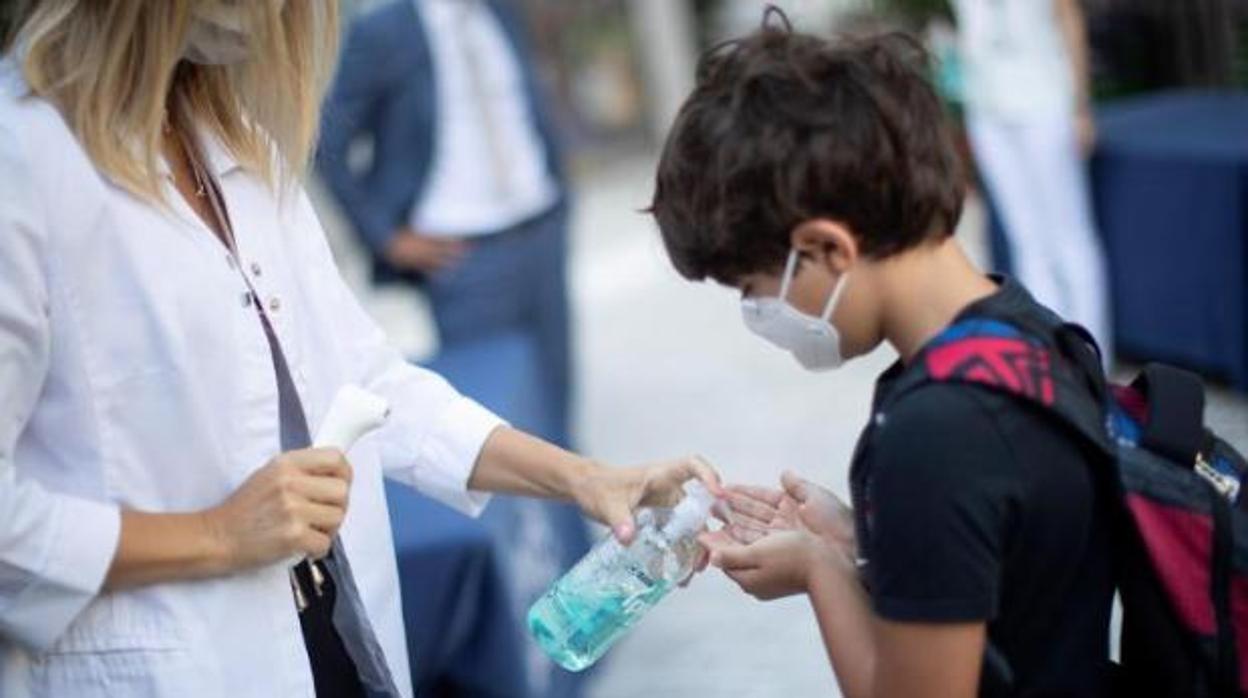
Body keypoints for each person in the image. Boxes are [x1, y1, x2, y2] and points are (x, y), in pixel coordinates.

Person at [0, 3, 720, 697]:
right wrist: (217, 535)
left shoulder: (226, 133)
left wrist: (584, 477)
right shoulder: (23, 160)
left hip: (330, 633)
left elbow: (369, 381)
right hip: (170, 662)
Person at [649, 14, 1114, 698]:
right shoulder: (1031, 331)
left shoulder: (934, 437)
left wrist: (820, 571)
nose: (758, 315)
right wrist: (858, 542)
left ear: (829, 248)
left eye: (753, 289)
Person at [317, 0, 575, 447]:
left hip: (539, 230)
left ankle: (584, 516)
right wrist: (386, 238)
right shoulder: (384, 29)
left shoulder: (499, 10)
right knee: (495, 432)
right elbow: (326, 141)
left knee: (559, 408)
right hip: (463, 259)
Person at [956, 0, 1112, 355]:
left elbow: (1069, 18)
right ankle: (1052, 354)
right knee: (1026, 241)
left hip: (1045, 100)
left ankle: (1093, 356)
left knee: (1069, 237)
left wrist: (1081, 105)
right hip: (986, 108)